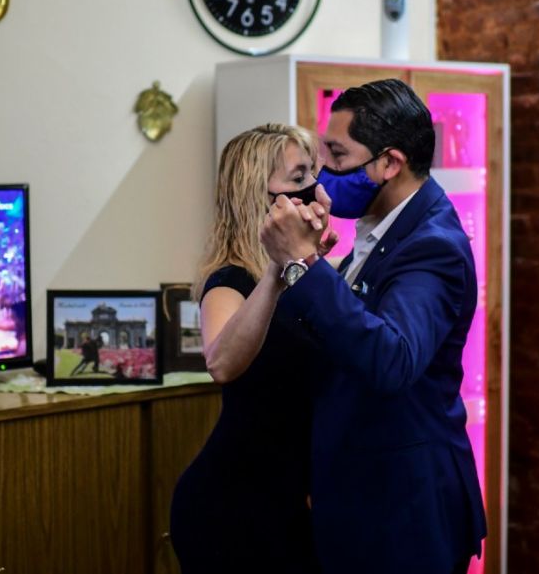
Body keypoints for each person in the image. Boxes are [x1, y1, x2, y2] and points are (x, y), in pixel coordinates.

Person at [259, 79, 487, 574]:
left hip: (404, 509)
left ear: (389, 164)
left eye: (337, 155)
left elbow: (392, 359)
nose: (323, 173)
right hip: (360, 495)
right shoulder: (379, 225)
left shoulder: (433, 245)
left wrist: (303, 263)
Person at [170, 123, 334, 574]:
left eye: (312, 174)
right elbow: (221, 363)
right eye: (298, 178)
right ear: (257, 195)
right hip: (232, 509)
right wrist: (276, 273)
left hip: (288, 504)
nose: (313, 188)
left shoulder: (306, 272)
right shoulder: (230, 282)